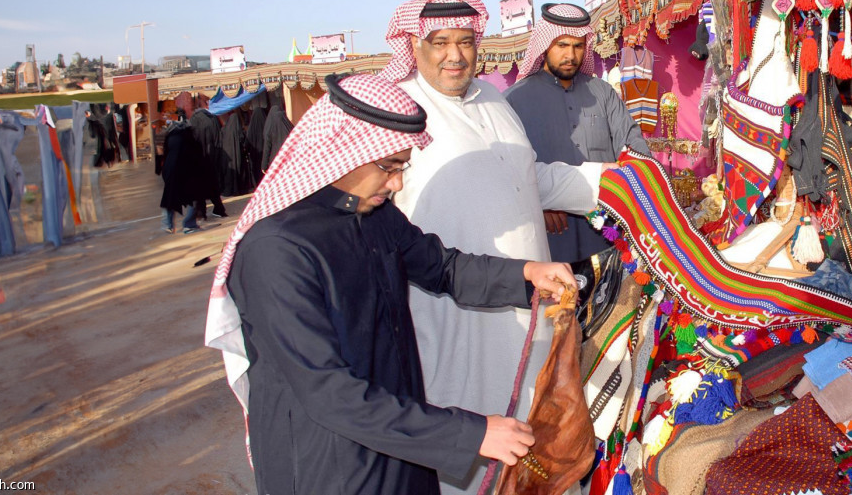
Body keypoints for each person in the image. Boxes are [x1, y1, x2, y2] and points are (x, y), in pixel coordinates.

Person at [204, 74, 575, 494]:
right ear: (342, 151)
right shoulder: (276, 249)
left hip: (401, 441)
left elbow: (441, 267)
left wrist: (525, 274)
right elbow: (329, 391)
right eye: (389, 166)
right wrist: (471, 434)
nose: (397, 183)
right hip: (327, 462)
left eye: (403, 166)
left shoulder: (374, 214)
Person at [382, 0, 605, 493]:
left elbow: (531, 178)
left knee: (535, 430)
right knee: (469, 440)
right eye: (439, 42)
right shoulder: (403, 110)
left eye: (465, 41)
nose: (455, 55)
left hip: (529, 303)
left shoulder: (494, 100)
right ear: (415, 46)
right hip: (452, 314)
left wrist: (615, 183)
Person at [506, 3, 650, 262]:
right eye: (562, 45)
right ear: (545, 45)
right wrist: (539, 202)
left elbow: (633, 145)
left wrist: (640, 184)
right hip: (551, 236)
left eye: (578, 46)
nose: (570, 55)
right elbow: (509, 171)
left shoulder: (602, 93)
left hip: (608, 229)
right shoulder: (514, 100)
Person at [157, 114, 203, 234]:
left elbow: (164, 155)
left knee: (170, 198)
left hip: (170, 171)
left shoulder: (170, 137)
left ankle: (169, 225)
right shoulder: (188, 137)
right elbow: (196, 155)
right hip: (186, 171)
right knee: (193, 197)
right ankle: (189, 224)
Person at [189, 108, 228, 218]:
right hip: (212, 158)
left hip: (199, 160)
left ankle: (201, 212)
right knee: (213, 186)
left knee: (200, 187)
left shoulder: (194, 120)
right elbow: (219, 137)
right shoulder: (213, 118)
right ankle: (219, 209)